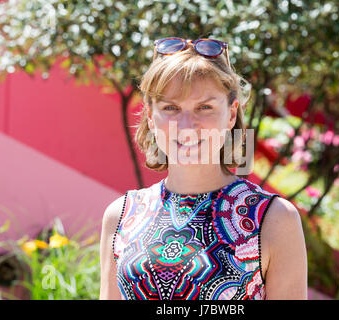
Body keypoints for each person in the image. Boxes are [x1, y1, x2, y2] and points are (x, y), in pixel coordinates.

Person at [100, 37, 307, 300]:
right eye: (171, 107)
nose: (187, 124)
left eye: (205, 107)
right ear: (151, 117)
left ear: (232, 114)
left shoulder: (274, 219)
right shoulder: (120, 216)